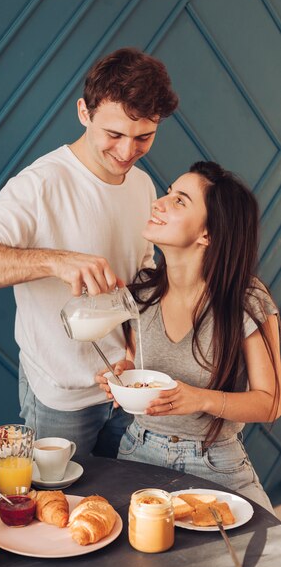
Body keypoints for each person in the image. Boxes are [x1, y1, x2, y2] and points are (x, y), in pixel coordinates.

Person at [0, 47, 178, 457]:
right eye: (114, 134)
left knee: (118, 513)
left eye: (143, 137)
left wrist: (132, 354)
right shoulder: (40, 184)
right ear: (84, 113)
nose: (127, 152)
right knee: (58, 513)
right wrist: (55, 259)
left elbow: (140, 275)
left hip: (127, 389)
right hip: (61, 398)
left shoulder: (142, 186)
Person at [96, 161, 281, 511]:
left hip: (215, 461)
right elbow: (136, 365)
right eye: (168, 193)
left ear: (207, 234)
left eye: (180, 201)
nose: (159, 203)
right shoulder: (142, 293)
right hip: (139, 450)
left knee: (265, 559)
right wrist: (120, 376)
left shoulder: (247, 299)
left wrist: (199, 399)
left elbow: (271, 403)